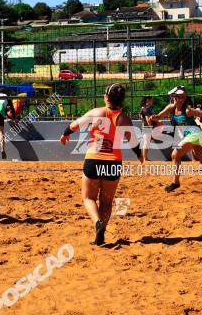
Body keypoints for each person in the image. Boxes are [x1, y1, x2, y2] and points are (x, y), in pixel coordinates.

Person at [59, 83, 141, 246]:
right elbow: (133, 142)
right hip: (113, 162)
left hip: (94, 159)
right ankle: (102, 228)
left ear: (106, 98)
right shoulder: (124, 118)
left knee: (88, 198)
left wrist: (65, 134)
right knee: (106, 202)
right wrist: (139, 155)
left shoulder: (97, 112)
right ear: (122, 100)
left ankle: (97, 223)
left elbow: (74, 125)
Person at [152, 87, 202, 193]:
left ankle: (175, 182)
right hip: (190, 136)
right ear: (175, 97)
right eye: (179, 97)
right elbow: (159, 116)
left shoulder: (187, 110)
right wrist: (153, 117)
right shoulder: (171, 108)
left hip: (194, 134)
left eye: (183, 97)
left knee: (174, 154)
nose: (181, 99)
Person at [139, 95, 155, 163]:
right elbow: (148, 120)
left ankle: (145, 157)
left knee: (146, 142)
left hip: (145, 127)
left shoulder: (143, 108)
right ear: (147, 100)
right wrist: (152, 128)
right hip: (147, 127)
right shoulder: (146, 109)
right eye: (151, 100)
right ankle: (145, 158)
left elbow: (140, 117)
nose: (152, 101)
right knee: (146, 143)